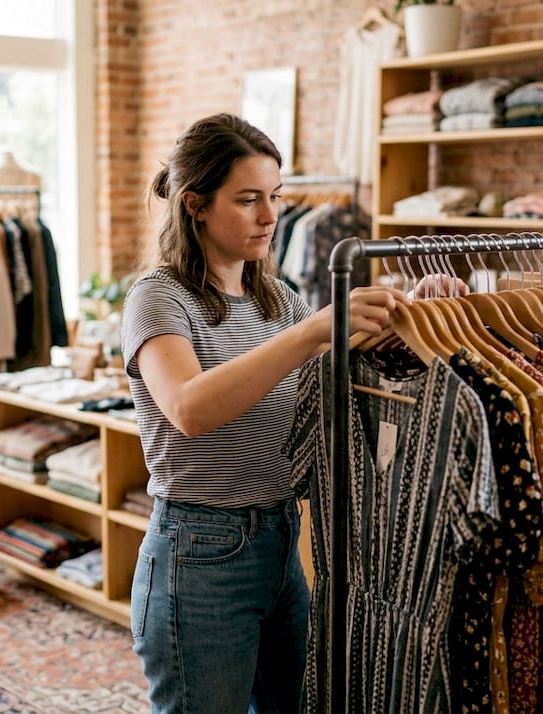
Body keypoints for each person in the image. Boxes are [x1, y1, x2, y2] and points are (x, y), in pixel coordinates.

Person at [121, 113, 408, 713]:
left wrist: (405, 319)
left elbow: (327, 395)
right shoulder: (157, 298)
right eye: (248, 199)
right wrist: (311, 334)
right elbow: (189, 408)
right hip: (200, 553)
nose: (270, 216)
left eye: (275, 197)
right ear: (194, 204)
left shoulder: (280, 301)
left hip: (282, 542)